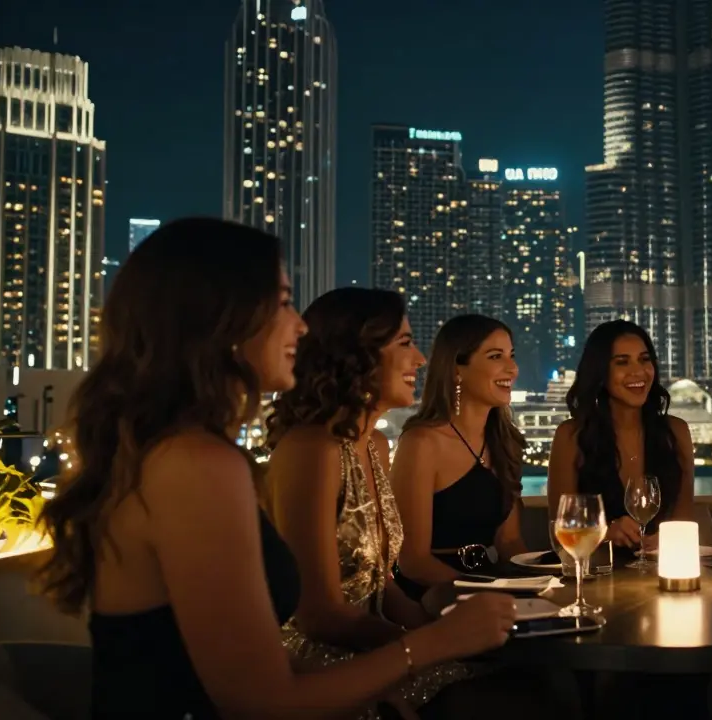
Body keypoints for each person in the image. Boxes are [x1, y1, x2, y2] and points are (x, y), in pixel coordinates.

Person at [36, 218, 515, 719]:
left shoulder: (182, 451)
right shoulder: (197, 464)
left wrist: (417, 649)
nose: (301, 325)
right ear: (222, 317)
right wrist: (429, 646)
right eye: (284, 302)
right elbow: (265, 700)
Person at [266, 287, 476, 717]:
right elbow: (318, 614)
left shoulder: (376, 445)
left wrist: (442, 627)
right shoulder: (313, 449)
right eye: (404, 342)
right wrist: (428, 644)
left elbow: (381, 586)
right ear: (355, 354)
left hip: (377, 645)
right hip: (315, 664)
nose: (419, 359)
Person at [392, 315, 530, 590]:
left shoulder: (505, 442)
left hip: (493, 586)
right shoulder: (421, 442)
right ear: (457, 369)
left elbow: (509, 542)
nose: (512, 368)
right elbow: (413, 561)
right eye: (495, 357)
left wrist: (543, 583)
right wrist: (485, 590)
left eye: (511, 355)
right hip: (434, 595)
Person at [547, 320, 695, 550]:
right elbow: (561, 532)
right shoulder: (572, 436)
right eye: (622, 362)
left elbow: (684, 520)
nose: (638, 371)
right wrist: (605, 532)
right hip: (596, 578)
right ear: (600, 372)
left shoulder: (676, 433)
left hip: (662, 573)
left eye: (645, 360)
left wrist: (667, 540)